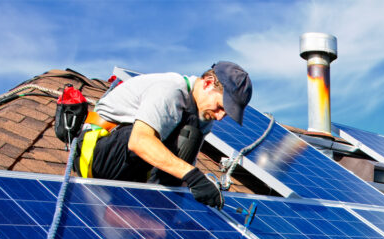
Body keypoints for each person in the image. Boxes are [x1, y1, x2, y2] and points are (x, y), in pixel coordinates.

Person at [75, 61, 252, 208]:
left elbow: (184, 168)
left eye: (226, 113)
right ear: (207, 83)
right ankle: (148, 210)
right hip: (96, 154)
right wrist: (194, 176)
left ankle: (156, 212)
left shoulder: (202, 118)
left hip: (131, 167)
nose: (220, 117)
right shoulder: (170, 90)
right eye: (220, 107)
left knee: (191, 134)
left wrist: (197, 206)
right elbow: (139, 141)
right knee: (170, 139)